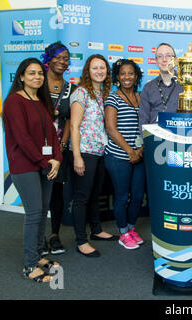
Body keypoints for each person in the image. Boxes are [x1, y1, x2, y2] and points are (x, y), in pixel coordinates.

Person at [3, 57, 62, 282]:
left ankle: (38, 256)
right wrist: (44, 162)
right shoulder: (14, 102)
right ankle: (29, 266)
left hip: (46, 165)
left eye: (39, 73)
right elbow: (22, 138)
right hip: (25, 165)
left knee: (42, 211)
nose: (36, 77)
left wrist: (56, 158)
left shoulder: (41, 100)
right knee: (34, 213)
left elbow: (52, 135)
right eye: (31, 73)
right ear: (21, 76)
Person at [69, 54, 117, 258]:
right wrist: (77, 157)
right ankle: (81, 240)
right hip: (85, 152)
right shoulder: (81, 93)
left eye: (103, 68)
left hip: (99, 152)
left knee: (95, 195)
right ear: (87, 71)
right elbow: (73, 125)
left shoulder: (103, 94)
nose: (99, 71)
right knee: (81, 198)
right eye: (95, 68)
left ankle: (96, 230)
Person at [105, 59, 145, 249]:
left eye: (130, 73)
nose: (126, 77)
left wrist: (140, 151)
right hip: (119, 156)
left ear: (136, 76)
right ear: (117, 77)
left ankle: (131, 229)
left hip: (140, 154)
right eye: (122, 74)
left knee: (137, 196)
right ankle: (122, 232)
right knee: (122, 196)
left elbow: (147, 126)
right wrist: (130, 151)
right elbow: (111, 129)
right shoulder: (113, 98)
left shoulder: (141, 97)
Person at [41, 42, 76, 255]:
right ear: (48, 58)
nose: (62, 62)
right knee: (38, 193)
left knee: (56, 193)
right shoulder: (37, 82)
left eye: (66, 58)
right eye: (58, 57)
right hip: (36, 148)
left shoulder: (71, 88)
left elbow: (71, 119)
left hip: (59, 149)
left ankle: (54, 235)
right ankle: (38, 237)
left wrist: (62, 145)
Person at [138, 43, 183, 132]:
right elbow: (143, 120)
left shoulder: (185, 85)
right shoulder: (148, 88)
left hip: (180, 138)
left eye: (168, 56)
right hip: (154, 139)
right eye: (160, 56)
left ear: (176, 60)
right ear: (156, 61)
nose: (164, 60)